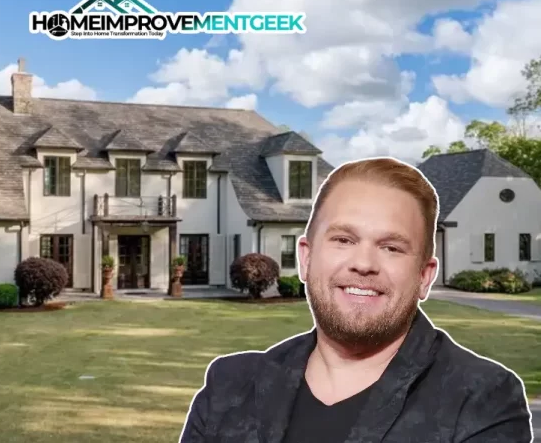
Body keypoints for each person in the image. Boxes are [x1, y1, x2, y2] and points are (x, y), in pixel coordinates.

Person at [179, 157, 533, 442]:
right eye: (343, 240)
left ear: (424, 277)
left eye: (391, 247)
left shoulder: (481, 401)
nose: (363, 264)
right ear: (305, 258)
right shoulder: (231, 387)